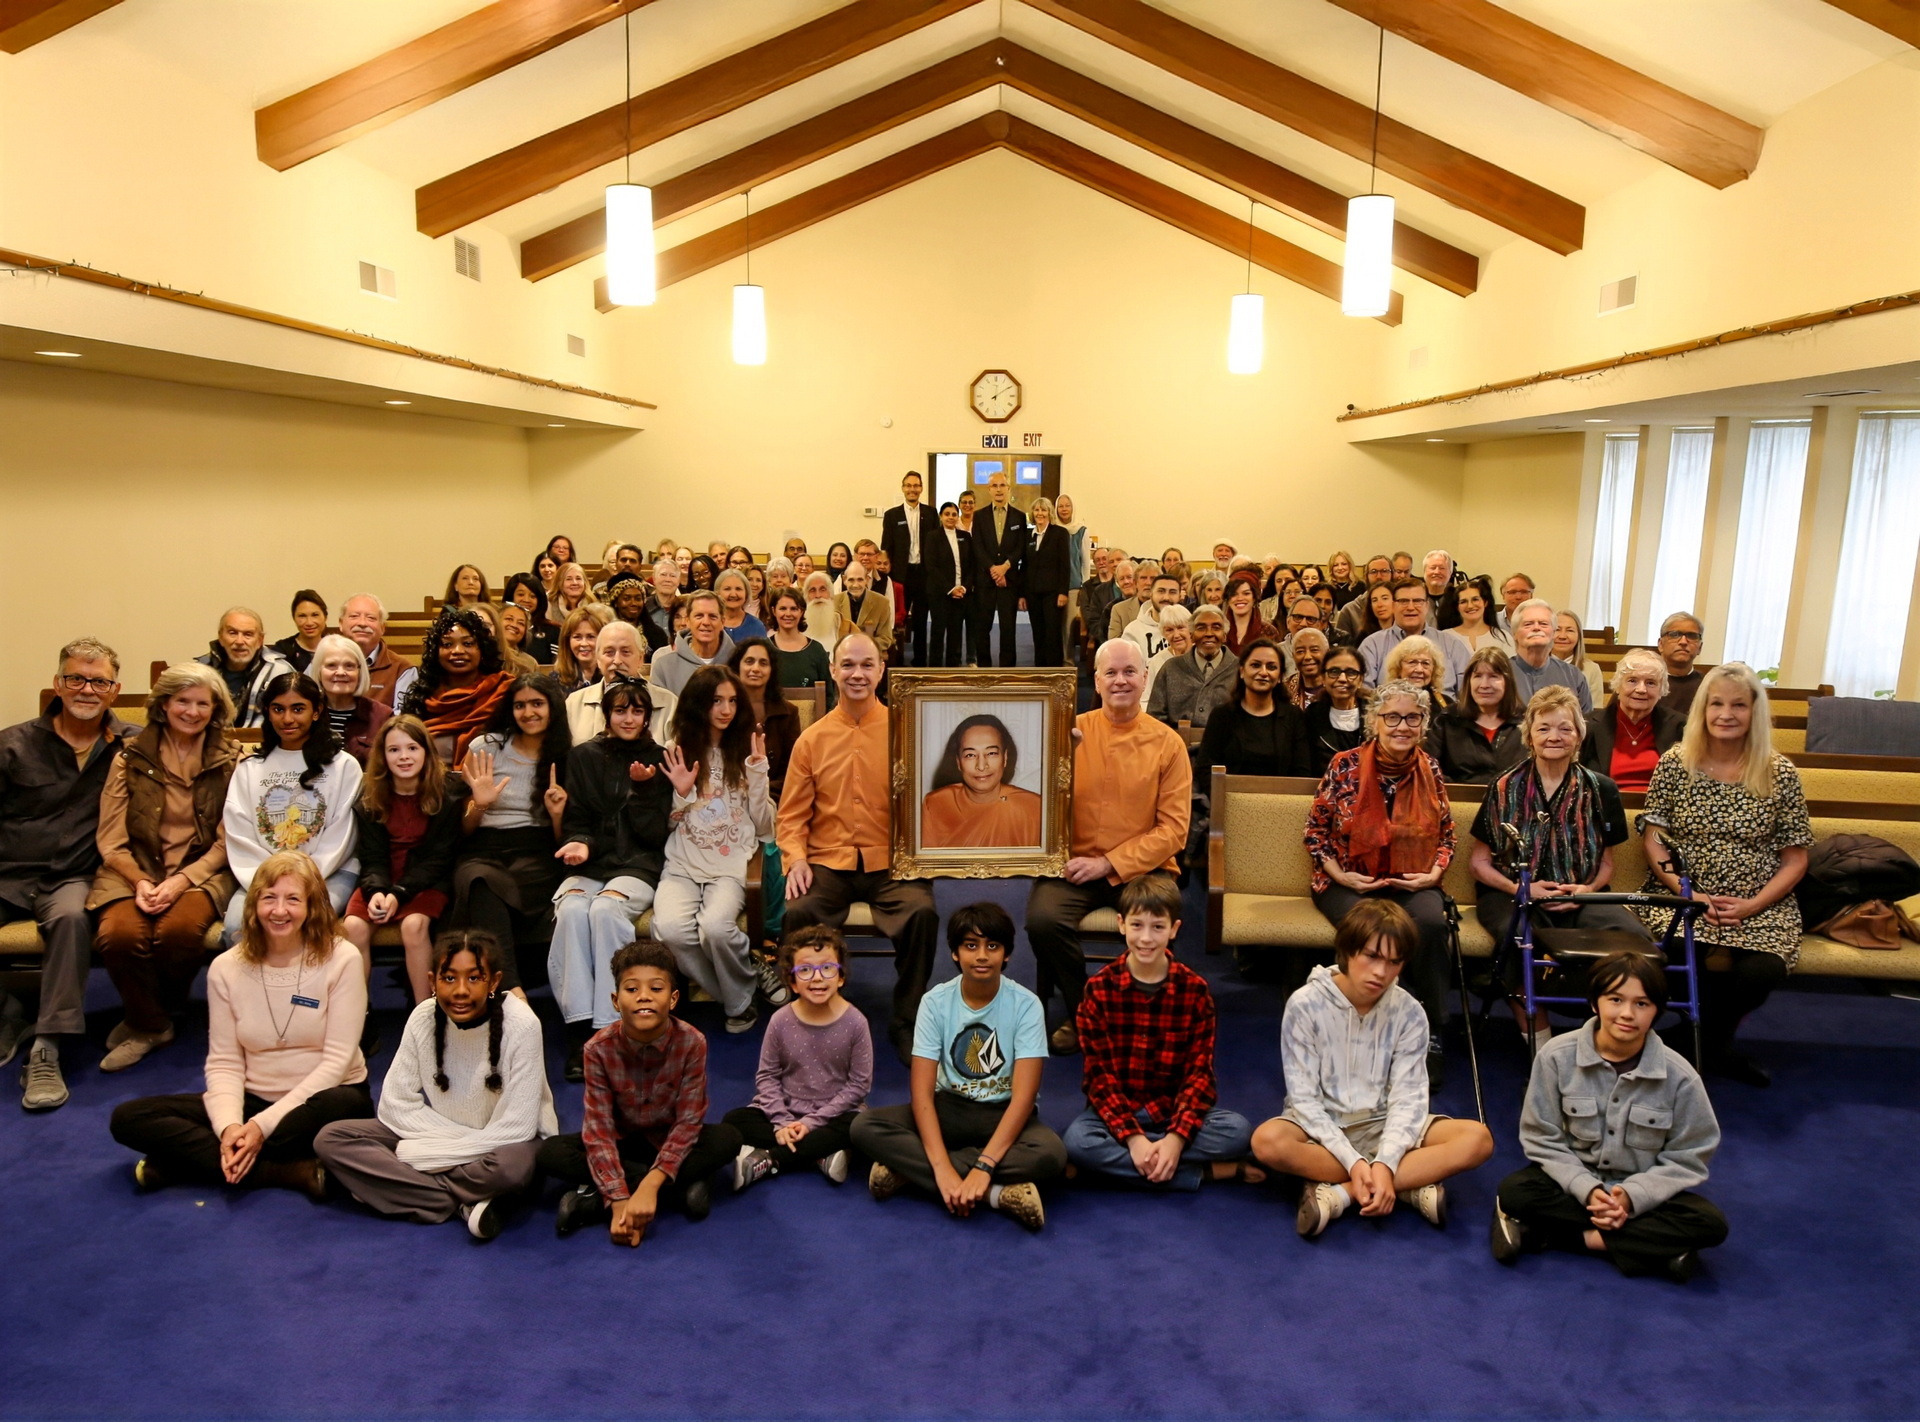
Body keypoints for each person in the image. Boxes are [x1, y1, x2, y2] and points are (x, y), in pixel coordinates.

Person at [109, 852, 372, 1198]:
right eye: (269, 898)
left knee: (342, 1110)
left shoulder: (342, 958)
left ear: (312, 906)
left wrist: (260, 1129)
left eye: (293, 899)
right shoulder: (226, 968)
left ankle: (182, 1164)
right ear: (253, 904)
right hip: (253, 1100)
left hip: (321, 1101)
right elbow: (224, 1062)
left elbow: (337, 1062)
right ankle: (281, 1171)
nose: (279, 911)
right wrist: (230, 1128)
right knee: (129, 1118)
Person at [1251, 899, 1494, 1238]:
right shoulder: (1305, 1004)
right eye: (1372, 956)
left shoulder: (1410, 1013)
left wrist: (1385, 1160)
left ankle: (1345, 1193)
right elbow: (1304, 1100)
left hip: (1384, 1123)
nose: (1381, 972)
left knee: (1477, 1139)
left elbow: (1409, 1099)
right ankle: (1406, 1184)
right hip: (1321, 1126)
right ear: (1348, 951)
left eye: (1395, 962)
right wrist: (1353, 1159)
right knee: (1267, 1142)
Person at [1491, 950, 1727, 1281]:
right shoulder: (1555, 1057)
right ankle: (1654, 1250)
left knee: (1710, 1223)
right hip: (1574, 1186)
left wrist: (1630, 1199)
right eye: (1615, 999)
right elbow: (1542, 1138)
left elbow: (1688, 1156)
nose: (1627, 1014)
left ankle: (1559, 1237)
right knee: (1515, 1191)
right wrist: (1588, 1189)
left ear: (1657, 1010)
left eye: (1642, 1004)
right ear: (1594, 1002)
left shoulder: (1681, 1077)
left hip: (1640, 1192)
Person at [314, 929, 557, 1239]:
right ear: (432, 981)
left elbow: (517, 1127)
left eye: (474, 978)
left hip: (506, 1144)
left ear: (494, 982)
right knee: (331, 1139)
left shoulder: (523, 1025)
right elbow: (394, 1105)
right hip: (440, 1132)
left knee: (511, 1168)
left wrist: (422, 1156)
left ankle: (399, 1190)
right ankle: (461, 1202)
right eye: (449, 978)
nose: (460, 991)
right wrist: (450, 1145)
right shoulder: (422, 1018)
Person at [1637, 663, 1811, 1087]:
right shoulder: (1677, 763)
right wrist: (1687, 892)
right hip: (1684, 898)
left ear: (1755, 711)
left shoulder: (1779, 772)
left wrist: (1753, 903)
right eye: (1716, 703)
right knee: (1673, 957)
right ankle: (1704, 1045)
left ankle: (1701, 1045)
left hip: (1758, 905)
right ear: (1703, 709)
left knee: (1760, 972)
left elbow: (1796, 859)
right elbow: (1655, 840)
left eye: (1738, 704)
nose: (1726, 714)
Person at [849, 903, 1064, 1231]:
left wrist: (985, 1165)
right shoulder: (935, 1003)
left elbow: (1023, 1098)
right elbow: (921, 1094)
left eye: (992, 946)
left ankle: (907, 1173)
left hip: (1003, 1113)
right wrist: (942, 1168)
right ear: (954, 953)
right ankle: (997, 1195)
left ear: (1006, 954)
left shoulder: (1026, 1005)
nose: (981, 955)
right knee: (864, 1127)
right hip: (948, 1108)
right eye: (970, 945)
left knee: (1050, 1155)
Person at [778, 634, 939, 1066]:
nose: (857, 674)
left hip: (892, 859)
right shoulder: (811, 739)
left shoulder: (907, 729)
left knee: (921, 913)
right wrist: (795, 859)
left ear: (881, 670)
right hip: (829, 860)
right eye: (848, 665)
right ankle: (815, 1012)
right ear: (832, 670)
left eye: (867, 665)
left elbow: (932, 801)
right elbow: (791, 816)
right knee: (798, 912)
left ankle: (907, 1019)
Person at [1026, 640, 1190, 1054]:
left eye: (1129, 672)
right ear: (1095, 681)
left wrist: (1109, 864)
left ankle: (1140, 1012)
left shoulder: (1167, 743)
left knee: (1153, 918)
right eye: (1111, 673)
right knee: (1042, 919)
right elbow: (1029, 802)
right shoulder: (1069, 730)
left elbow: (1173, 831)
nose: (1120, 681)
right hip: (1073, 865)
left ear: (1145, 679)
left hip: (1144, 869)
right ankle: (1088, 1011)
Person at [1470, 685, 1648, 1037]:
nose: (1555, 736)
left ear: (1579, 735)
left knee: (1635, 938)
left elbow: (1608, 863)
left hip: (1582, 895)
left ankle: (1604, 1032)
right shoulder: (1503, 786)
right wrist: (1523, 888)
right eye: (1544, 728)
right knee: (1518, 938)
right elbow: (1479, 862)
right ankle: (1542, 1044)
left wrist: (1586, 889)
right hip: (1512, 894)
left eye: (1565, 728)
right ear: (1529, 736)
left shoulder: (1602, 789)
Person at [0, 637, 135, 1104]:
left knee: (73, 919)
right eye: (76, 678)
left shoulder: (133, 745)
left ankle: (46, 1048)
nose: (86, 689)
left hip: (71, 876)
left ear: (114, 690)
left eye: (99, 681)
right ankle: (7, 1009)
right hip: (7, 872)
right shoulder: (13, 744)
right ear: (58, 684)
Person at [537, 941, 743, 1243]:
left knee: (729, 1138)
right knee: (551, 1153)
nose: (644, 996)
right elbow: (598, 1130)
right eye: (632, 989)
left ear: (673, 999)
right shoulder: (596, 1049)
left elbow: (688, 1122)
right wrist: (620, 1201)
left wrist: (649, 1185)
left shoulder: (692, 1042)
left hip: (667, 1139)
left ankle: (597, 1200)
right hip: (623, 1142)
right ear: (615, 1000)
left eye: (656, 989)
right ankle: (682, 1189)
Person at [91, 663, 242, 1075]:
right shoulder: (129, 757)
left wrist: (180, 883)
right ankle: (152, 1023)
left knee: (177, 932)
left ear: (216, 709)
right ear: (162, 704)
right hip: (132, 869)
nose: (192, 712)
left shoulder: (233, 760)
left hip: (203, 872)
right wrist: (141, 881)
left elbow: (228, 841)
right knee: (119, 935)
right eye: (182, 701)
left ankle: (148, 1018)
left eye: (202, 704)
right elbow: (110, 839)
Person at [1065, 874, 1259, 1191]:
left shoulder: (1194, 990)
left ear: (1174, 930)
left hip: (1173, 1110)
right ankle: (1204, 1173)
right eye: (1137, 925)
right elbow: (1098, 1077)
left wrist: (1176, 1138)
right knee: (1077, 1141)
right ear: (1121, 924)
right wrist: (1133, 1138)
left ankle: (1125, 1166)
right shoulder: (1098, 990)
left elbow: (1199, 1073)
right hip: (1119, 1111)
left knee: (1237, 1131)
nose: (1146, 938)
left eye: (1158, 927)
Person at [1304, 678, 1454, 1086]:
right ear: (1375, 721)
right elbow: (1315, 832)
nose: (1402, 725)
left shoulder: (1431, 769)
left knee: (1430, 924)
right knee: (1372, 929)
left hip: (1412, 880)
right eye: (1392, 717)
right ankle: (1368, 1031)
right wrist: (1341, 874)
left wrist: (1434, 873)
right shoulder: (1345, 765)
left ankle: (1430, 1031)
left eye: (1412, 717)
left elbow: (1446, 836)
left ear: (1423, 724)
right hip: (1347, 881)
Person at [551, 678, 672, 1080]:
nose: (628, 718)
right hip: (590, 863)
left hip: (637, 863)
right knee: (570, 910)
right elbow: (577, 818)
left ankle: (610, 1027)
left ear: (647, 715)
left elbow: (655, 834)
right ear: (607, 714)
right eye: (620, 710)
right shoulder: (583, 757)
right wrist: (580, 843)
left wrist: (641, 791)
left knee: (605, 910)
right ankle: (577, 1028)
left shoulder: (659, 758)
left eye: (637, 710)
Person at [654, 667, 773, 1036]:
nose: (726, 709)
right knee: (670, 930)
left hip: (731, 866)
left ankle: (739, 992)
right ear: (698, 704)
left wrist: (759, 774)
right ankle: (740, 994)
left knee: (716, 929)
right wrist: (682, 792)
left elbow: (767, 829)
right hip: (682, 866)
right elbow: (664, 825)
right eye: (717, 701)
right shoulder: (676, 752)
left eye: (733, 701)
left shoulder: (744, 751)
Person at [725, 925, 872, 1191]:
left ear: (840, 977)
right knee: (733, 1123)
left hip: (834, 1114)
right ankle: (820, 1154)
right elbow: (767, 1076)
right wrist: (782, 1122)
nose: (817, 978)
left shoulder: (856, 1022)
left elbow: (858, 1086)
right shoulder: (780, 1021)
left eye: (827, 968)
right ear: (792, 982)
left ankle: (769, 1159)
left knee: (862, 1127)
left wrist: (811, 1123)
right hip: (786, 1108)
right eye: (805, 970)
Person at [220, 672, 362, 947]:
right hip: (262, 877)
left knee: (305, 923)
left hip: (328, 873)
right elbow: (240, 832)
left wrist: (300, 882)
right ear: (268, 713)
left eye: (298, 709)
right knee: (237, 929)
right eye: (278, 709)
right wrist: (271, 884)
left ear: (317, 711)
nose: (287, 719)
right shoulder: (250, 769)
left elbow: (342, 835)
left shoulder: (343, 766)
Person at [454, 674, 571, 995]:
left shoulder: (567, 754)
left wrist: (557, 815)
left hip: (538, 849)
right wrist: (479, 805)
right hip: (483, 846)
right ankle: (512, 990)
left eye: (537, 704)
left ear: (553, 708)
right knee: (480, 881)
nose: (528, 712)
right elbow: (461, 828)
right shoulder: (485, 747)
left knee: (506, 890)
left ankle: (508, 986)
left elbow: (565, 839)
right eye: (520, 705)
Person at [344, 716, 469, 1005]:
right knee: (353, 927)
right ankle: (358, 1014)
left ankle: (424, 1011)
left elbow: (438, 858)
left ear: (425, 751)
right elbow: (372, 857)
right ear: (383, 756)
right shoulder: (370, 797)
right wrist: (377, 891)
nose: (404, 757)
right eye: (394, 750)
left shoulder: (447, 792)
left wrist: (399, 894)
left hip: (426, 877)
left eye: (412, 748)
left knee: (414, 926)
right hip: (383, 875)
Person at [401, 607, 514, 765]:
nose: (458, 651)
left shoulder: (503, 692)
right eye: (447, 644)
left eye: (468, 643)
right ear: (435, 651)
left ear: (482, 649)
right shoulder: (421, 698)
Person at [919, 715, 1044, 849]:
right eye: (970, 755)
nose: (981, 766)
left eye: (991, 753)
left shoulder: (1034, 807)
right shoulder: (935, 804)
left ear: (1005, 757)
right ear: (958, 762)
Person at [1196, 639, 1309, 777]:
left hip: (1282, 797)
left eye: (1271, 667)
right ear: (1242, 671)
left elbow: (1302, 771)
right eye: (1255, 665)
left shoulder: (1294, 716)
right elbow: (1205, 768)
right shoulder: (1222, 715)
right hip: (1228, 796)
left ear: (1280, 676)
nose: (1263, 672)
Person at [1584, 648, 1685, 792]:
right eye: (1632, 681)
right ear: (1618, 685)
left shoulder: (1679, 727)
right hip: (1604, 808)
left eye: (1651, 683)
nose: (1641, 689)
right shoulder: (1589, 726)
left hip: (1660, 810)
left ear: (1661, 689)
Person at [1428, 646, 1525, 784]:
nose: (1484, 685)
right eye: (1478, 676)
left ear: (1507, 682)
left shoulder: (1527, 721)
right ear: (1469, 681)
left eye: (1493, 676)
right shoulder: (1447, 720)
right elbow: (1429, 770)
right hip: (1459, 802)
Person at [1362, 580, 1468, 695]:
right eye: (1403, 601)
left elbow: (1467, 694)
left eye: (1418, 601)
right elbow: (1364, 693)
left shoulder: (1452, 644)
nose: (1411, 607)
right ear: (1393, 606)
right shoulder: (1372, 645)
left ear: (1427, 606)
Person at [196, 607, 293, 729]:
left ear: (260, 640)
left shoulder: (281, 672)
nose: (239, 641)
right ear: (220, 637)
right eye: (232, 633)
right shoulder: (201, 671)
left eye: (248, 634)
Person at [881, 471, 938, 666]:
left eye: (916, 485)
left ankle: (920, 660)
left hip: (924, 574)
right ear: (903, 488)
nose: (912, 489)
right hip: (900, 574)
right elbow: (886, 546)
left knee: (921, 619)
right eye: (908, 485)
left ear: (921, 488)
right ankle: (897, 661)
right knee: (899, 619)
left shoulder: (931, 514)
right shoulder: (892, 515)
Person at [971, 471, 1028, 666]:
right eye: (994, 486)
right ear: (988, 490)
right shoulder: (979, 516)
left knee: (1008, 628)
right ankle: (984, 669)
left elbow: (1021, 547)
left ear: (1008, 489)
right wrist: (993, 570)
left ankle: (1008, 670)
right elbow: (977, 546)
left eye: (1002, 485)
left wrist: (1005, 567)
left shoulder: (1020, 517)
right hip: (985, 581)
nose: (998, 489)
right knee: (982, 627)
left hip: (1009, 580)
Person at [1148, 605, 1237, 728]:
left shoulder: (1240, 670)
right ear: (1191, 635)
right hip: (1178, 744)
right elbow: (1155, 719)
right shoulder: (1170, 668)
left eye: (1216, 628)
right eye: (1201, 628)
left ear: (1224, 635)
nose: (1209, 633)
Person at [311, 633, 392, 766]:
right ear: (319, 671)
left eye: (349, 666)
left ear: (360, 672)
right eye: (332, 665)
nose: (341, 672)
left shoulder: (381, 716)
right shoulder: (306, 713)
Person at [1509, 599, 1593, 713]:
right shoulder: (1501, 673)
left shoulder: (1574, 676)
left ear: (1553, 632)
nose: (1536, 628)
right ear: (1514, 633)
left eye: (1543, 624)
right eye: (1528, 624)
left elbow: (1586, 724)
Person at [651, 590, 737, 698]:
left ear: (722, 622)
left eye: (712, 616)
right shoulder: (664, 667)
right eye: (699, 616)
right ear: (688, 621)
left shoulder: (738, 664)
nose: (706, 622)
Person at [339, 594, 415, 712]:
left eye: (371, 618)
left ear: (382, 628)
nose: (362, 623)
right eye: (354, 616)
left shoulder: (402, 669)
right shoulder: (322, 662)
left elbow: (403, 719)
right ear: (341, 624)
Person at [1304, 646, 1368, 775]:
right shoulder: (1311, 716)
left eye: (1351, 672)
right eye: (1334, 672)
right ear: (1323, 678)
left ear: (1361, 679)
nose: (1342, 679)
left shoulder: (1376, 714)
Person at [1024, 496, 1071, 667]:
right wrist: (1023, 595)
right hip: (1033, 592)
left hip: (1053, 593)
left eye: (1043, 510)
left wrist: (1062, 592)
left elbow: (1065, 565)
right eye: (1037, 510)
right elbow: (1025, 566)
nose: (1040, 513)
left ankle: (1054, 671)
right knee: (1038, 632)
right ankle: (1040, 670)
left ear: (1049, 513)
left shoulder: (1060, 534)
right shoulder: (1028, 535)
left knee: (1052, 633)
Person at [927, 500, 972, 667]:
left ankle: (954, 669)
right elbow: (931, 567)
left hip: (961, 593)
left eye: (954, 514)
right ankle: (935, 671)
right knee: (938, 633)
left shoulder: (965, 537)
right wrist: (950, 589)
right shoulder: (932, 537)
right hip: (940, 594)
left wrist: (963, 587)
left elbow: (971, 566)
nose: (951, 517)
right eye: (947, 514)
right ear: (941, 516)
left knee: (956, 633)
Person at [765, 587, 832, 691]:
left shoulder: (816, 650)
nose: (788, 614)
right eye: (782, 608)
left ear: (801, 611)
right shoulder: (763, 648)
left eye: (794, 609)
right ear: (774, 611)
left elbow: (829, 693)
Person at [833, 560, 894, 659]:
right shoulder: (833, 602)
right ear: (844, 580)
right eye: (851, 580)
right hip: (842, 656)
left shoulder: (882, 603)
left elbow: (885, 638)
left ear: (867, 579)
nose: (855, 585)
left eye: (860, 580)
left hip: (870, 656)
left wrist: (861, 646)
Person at [1123, 572, 1185, 664]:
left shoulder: (1189, 629)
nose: (1166, 597)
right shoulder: (1132, 631)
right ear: (1151, 595)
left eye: (1172, 592)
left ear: (1180, 596)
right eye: (1161, 591)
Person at [1383, 634, 1454, 714]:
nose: (1419, 670)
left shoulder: (1447, 704)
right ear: (1398, 667)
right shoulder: (1385, 702)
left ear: (1434, 669)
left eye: (1425, 663)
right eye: (1412, 662)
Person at [1331, 555, 1396, 642]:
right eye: (1373, 572)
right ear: (1366, 576)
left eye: (1384, 571)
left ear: (1392, 575)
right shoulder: (1349, 611)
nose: (1379, 576)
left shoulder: (1402, 607)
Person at [554, 604, 612, 695]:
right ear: (567, 641)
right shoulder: (555, 680)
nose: (584, 643)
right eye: (577, 637)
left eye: (590, 637)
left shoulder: (612, 676)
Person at [1657, 612, 1707, 716]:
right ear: (1661, 644)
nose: (1683, 642)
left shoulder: (1707, 686)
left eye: (1692, 636)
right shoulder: (1641, 683)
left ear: (1700, 648)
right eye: (1675, 635)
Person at [269, 590, 330, 673]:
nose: (309, 622)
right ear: (294, 618)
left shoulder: (337, 647)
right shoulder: (282, 650)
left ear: (325, 617)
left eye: (315, 615)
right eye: (302, 616)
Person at [504, 572, 557, 664]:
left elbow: (557, 667)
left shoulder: (552, 631)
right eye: (521, 594)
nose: (526, 600)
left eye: (533, 596)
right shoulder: (500, 627)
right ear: (511, 596)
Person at [1555, 610, 1606, 706]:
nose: (1562, 636)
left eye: (1570, 630)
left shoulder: (1592, 669)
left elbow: (1594, 711)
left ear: (1579, 636)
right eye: (1557, 629)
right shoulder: (1535, 666)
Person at [1222, 576, 1277, 662]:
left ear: (1254, 598)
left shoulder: (1268, 631)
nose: (1240, 598)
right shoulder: (1219, 630)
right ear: (1228, 599)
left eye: (1246, 593)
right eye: (1234, 594)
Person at [1451, 578, 1511, 653]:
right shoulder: (1445, 637)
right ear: (1457, 607)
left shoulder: (1503, 637)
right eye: (1463, 602)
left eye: (1475, 599)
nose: (1470, 606)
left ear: (1485, 602)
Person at [1285, 627, 1331, 712]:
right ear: (1293, 656)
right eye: (1300, 651)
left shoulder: (1338, 688)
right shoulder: (1285, 691)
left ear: (1327, 653)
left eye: (1314, 650)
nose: (1307, 657)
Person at [714, 569, 766, 644]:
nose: (733, 594)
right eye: (727, 589)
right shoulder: (710, 623)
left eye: (738, 589)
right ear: (717, 593)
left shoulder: (757, 626)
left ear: (746, 593)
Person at [546, 561, 592, 627]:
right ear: (559, 583)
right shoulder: (548, 602)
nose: (574, 583)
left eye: (578, 578)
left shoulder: (593, 603)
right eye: (569, 579)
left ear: (585, 582)